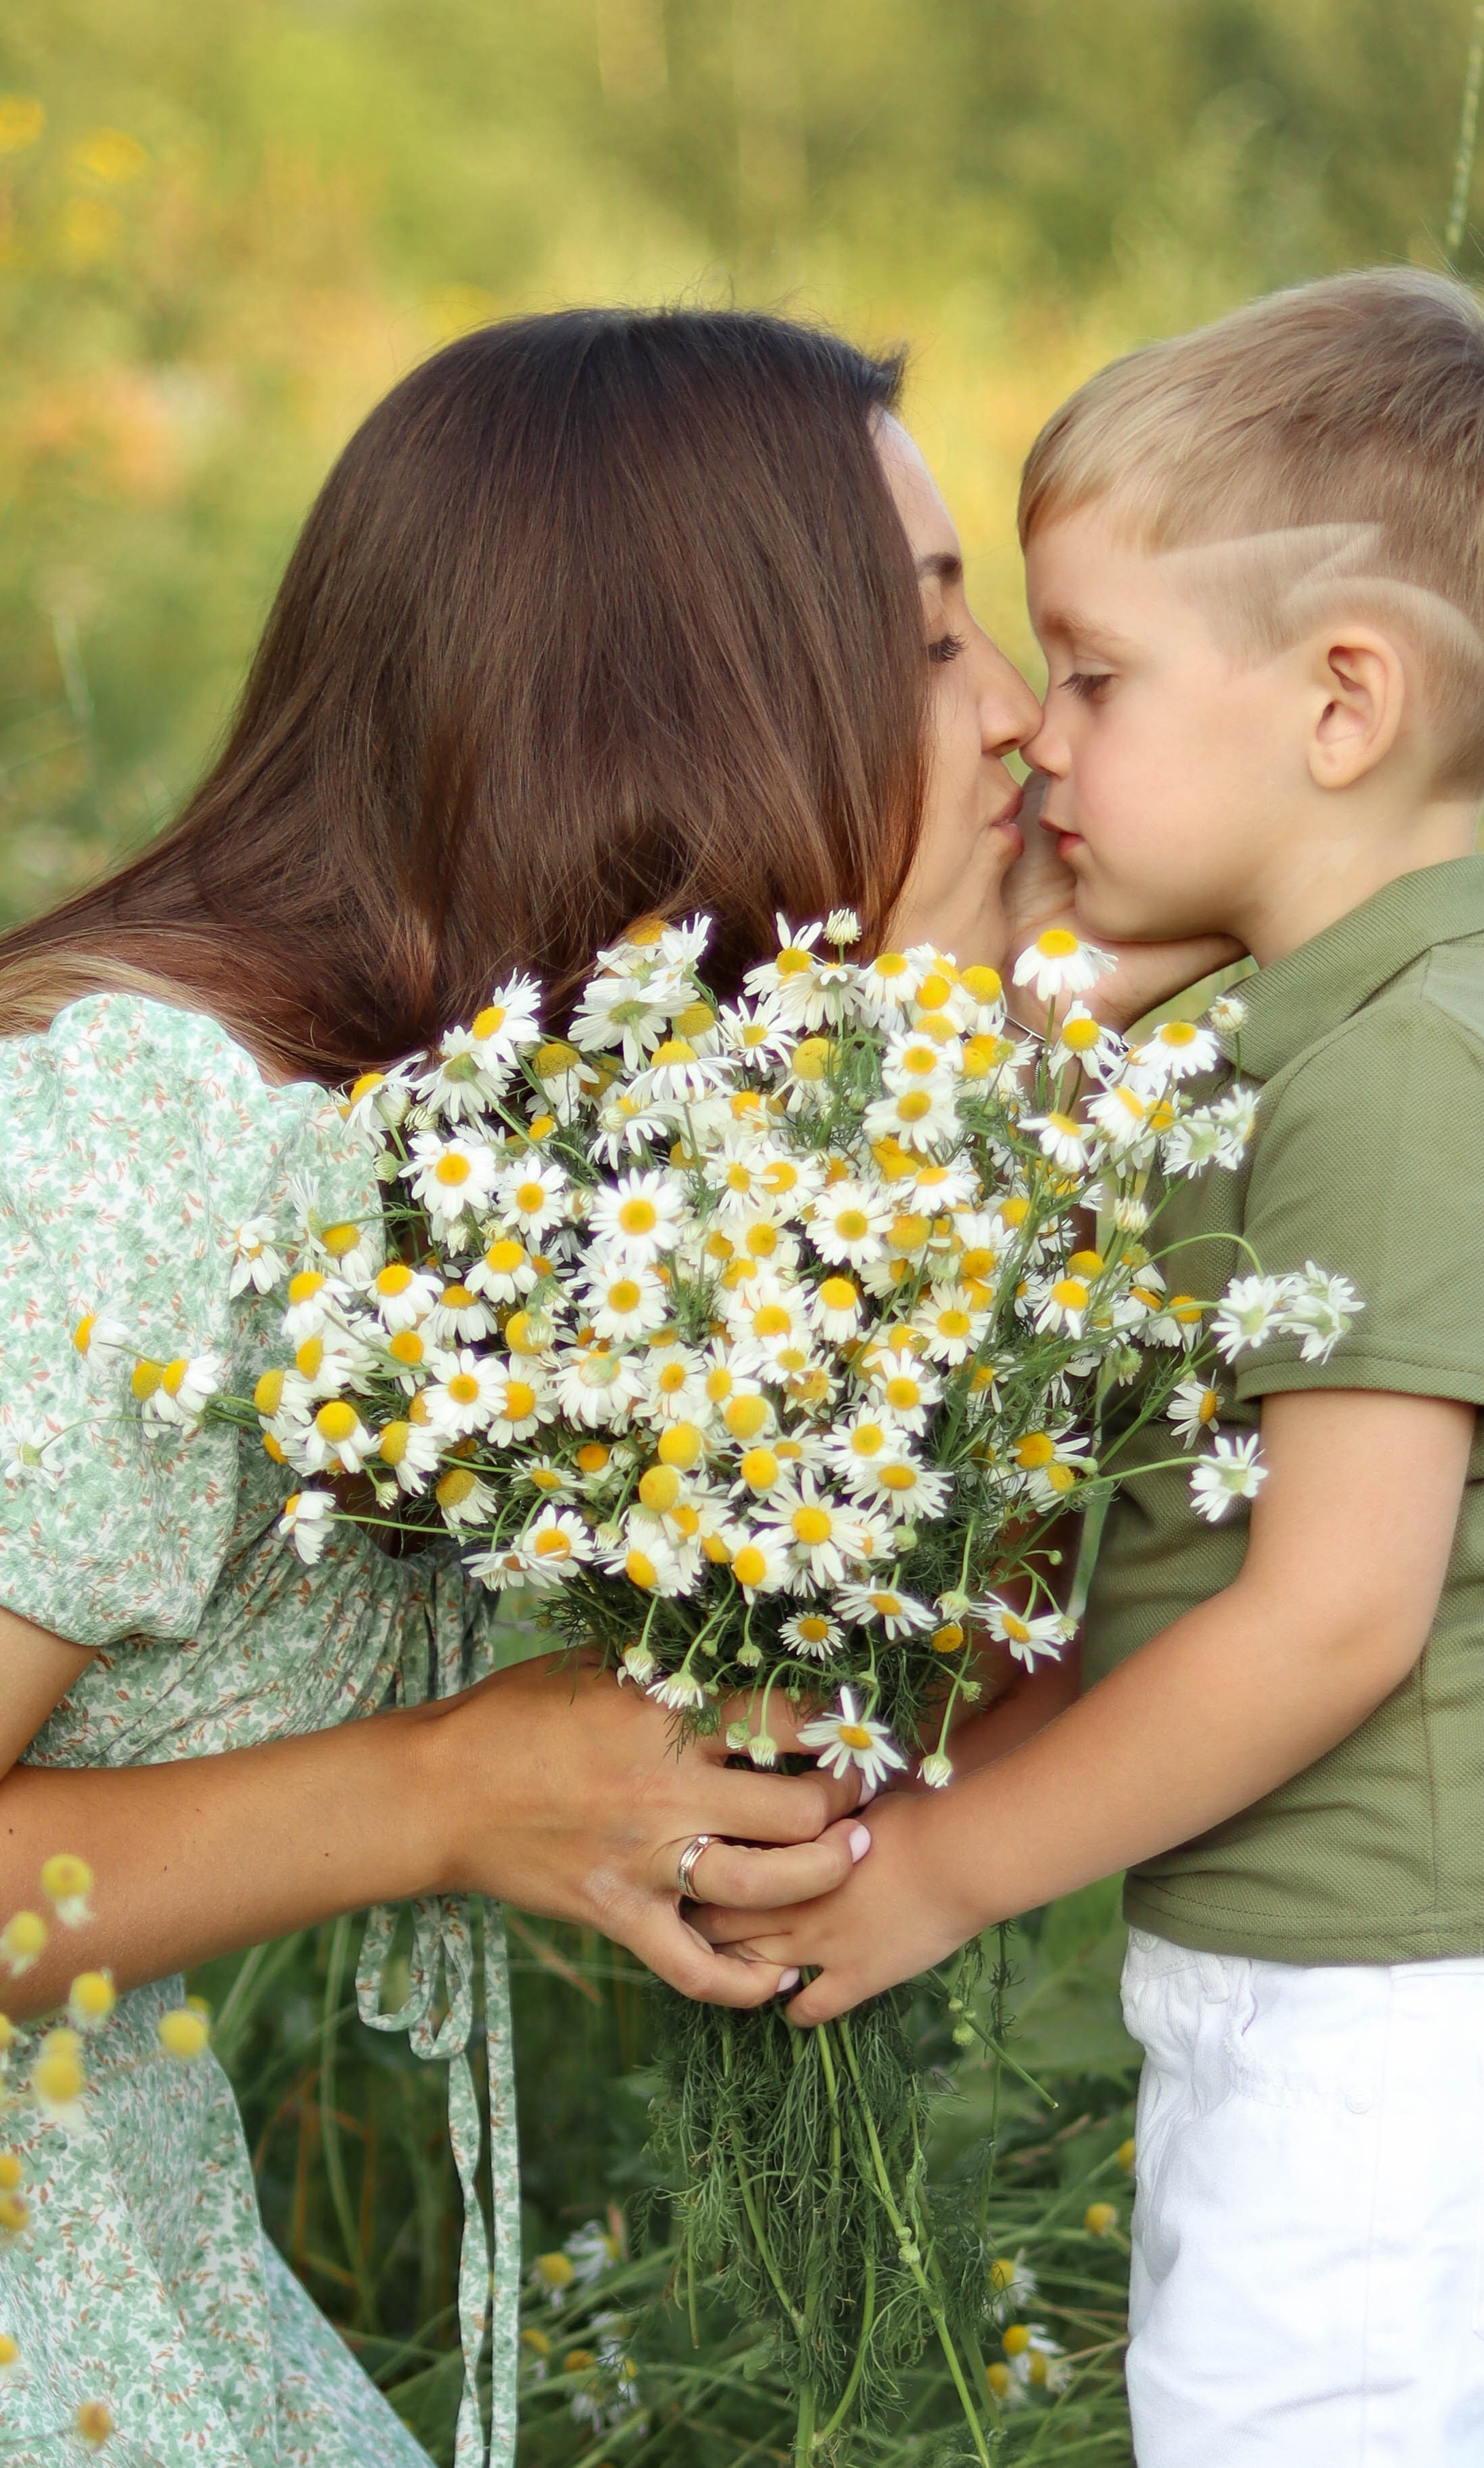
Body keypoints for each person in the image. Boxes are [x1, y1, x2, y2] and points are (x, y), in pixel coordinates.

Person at [0, 307, 1039, 2465]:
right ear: (696, 705)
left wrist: (1004, 1072)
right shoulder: (141, 1138)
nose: (1026, 724)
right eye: (940, 648)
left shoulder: (520, 1170)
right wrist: (454, 1795)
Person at [698, 269, 1484, 2466]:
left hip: (1420, 2021)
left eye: (1098, 671)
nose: (1037, 733)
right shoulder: (1317, 1028)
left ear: (1343, 705)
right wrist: (1088, 997)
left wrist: (946, 1869)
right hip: (1353, 1998)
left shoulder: (1412, 1077)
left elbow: (1332, 1617)